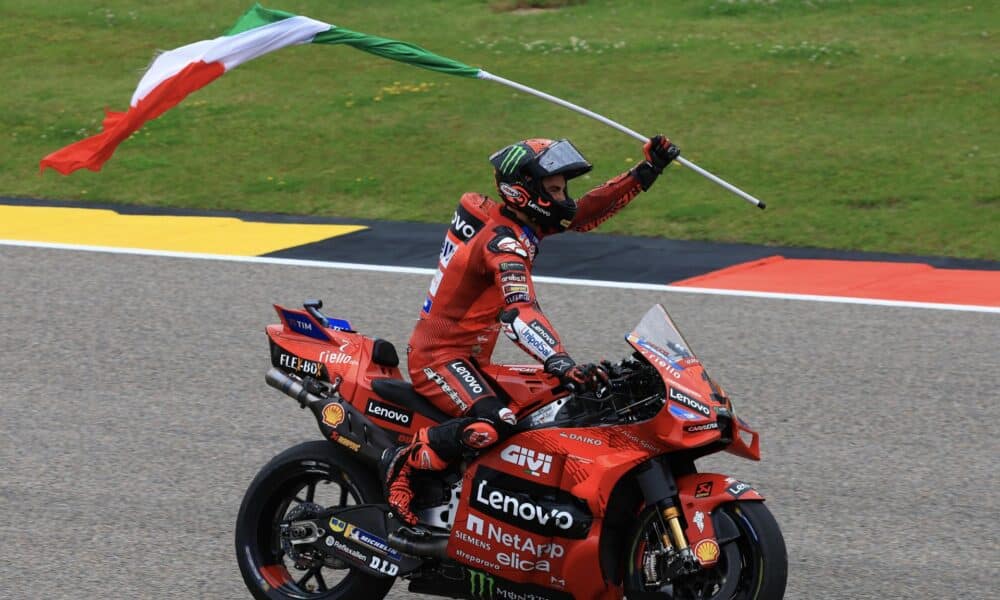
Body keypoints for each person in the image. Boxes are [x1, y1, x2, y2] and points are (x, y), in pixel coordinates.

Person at [382, 135, 680, 524]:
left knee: (559, 403)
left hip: (471, 360)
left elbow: (587, 212)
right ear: (525, 193)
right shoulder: (504, 245)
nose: (564, 199)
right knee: (496, 422)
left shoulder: (528, 225)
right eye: (554, 190)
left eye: (563, 189)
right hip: (438, 359)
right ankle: (403, 464)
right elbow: (519, 313)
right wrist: (560, 361)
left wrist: (647, 171)